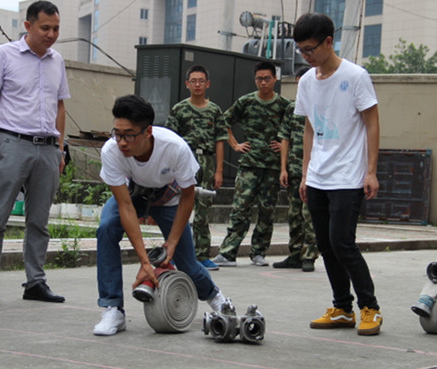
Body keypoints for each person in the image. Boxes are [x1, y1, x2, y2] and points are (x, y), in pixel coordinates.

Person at [93, 94, 228, 336]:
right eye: (117, 133)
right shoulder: (111, 151)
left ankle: (216, 297)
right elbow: (125, 206)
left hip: (168, 197)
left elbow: (188, 196)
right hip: (133, 194)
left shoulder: (175, 148)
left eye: (129, 135)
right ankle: (113, 308)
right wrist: (145, 262)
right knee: (106, 229)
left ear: (148, 132)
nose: (122, 142)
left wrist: (172, 243)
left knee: (187, 263)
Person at [0, 0, 69, 307]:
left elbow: (60, 106)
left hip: (47, 148)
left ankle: (36, 282)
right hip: (13, 143)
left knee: (39, 221)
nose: (51, 34)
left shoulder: (57, 61)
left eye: (56, 29)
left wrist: (59, 149)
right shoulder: (4, 55)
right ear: (28, 26)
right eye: (45, 28)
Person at [293, 13, 383, 336]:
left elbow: (372, 123)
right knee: (325, 245)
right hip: (318, 175)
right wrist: (305, 174)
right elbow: (309, 129)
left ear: (329, 41)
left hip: (348, 175)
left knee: (342, 242)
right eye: (301, 50)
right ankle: (343, 308)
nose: (306, 55)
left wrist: (371, 171)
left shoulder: (355, 76)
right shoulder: (306, 81)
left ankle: (370, 307)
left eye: (310, 49)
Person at [212, 61, 290, 267]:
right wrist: (235, 145)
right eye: (259, 79)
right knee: (240, 208)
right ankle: (228, 253)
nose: (263, 83)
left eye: (267, 79)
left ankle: (258, 252)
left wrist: (283, 146)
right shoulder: (246, 102)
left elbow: (292, 131)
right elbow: (224, 121)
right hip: (249, 165)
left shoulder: (284, 105)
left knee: (267, 210)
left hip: (272, 167)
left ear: (275, 79)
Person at [165, 65, 227, 271]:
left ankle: (202, 255)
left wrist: (219, 171)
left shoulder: (215, 110)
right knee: (179, 208)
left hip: (207, 162)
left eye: (201, 81)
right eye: (194, 81)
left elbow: (220, 140)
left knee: (203, 210)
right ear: (187, 84)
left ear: (207, 84)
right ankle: (175, 255)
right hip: (184, 161)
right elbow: (171, 140)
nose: (197, 84)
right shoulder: (179, 109)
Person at [273, 67, 319, 272]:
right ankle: (294, 254)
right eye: (299, 83)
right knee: (294, 214)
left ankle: (309, 255)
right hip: (293, 168)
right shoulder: (292, 108)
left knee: (309, 214)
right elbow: (284, 138)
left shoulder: (321, 105)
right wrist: (283, 168)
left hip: (314, 170)